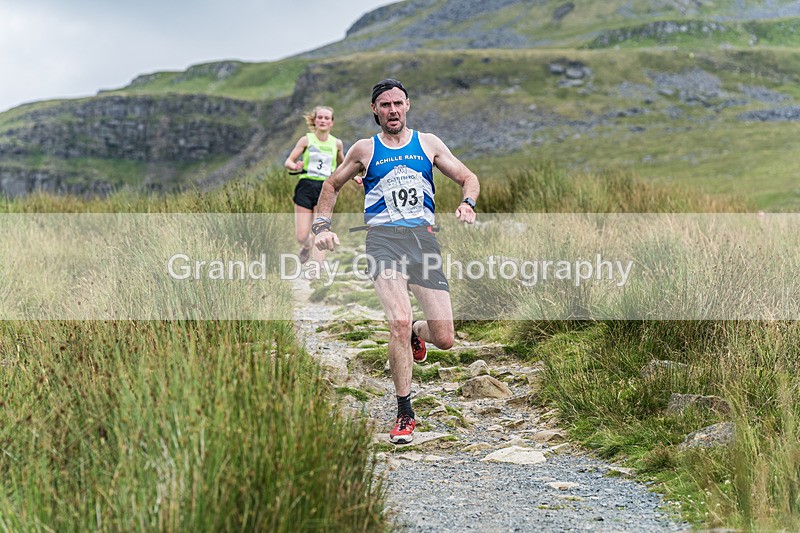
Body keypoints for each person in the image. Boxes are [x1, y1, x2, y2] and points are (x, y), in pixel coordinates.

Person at [312, 79, 479, 444]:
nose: (392, 110)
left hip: (423, 241)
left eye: (398, 103)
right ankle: (405, 412)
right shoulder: (364, 149)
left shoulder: (428, 143)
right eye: (384, 105)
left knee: (445, 338)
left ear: (408, 105)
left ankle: (420, 334)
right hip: (383, 241)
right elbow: (330, 186)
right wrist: (321, 226)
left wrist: (468, 203)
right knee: (398, 322)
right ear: (375, 110)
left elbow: (468, 177)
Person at [284, 105, 344, 264]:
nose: (323, 120)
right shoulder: (306, 140)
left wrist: (355, 177)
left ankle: (316, 268)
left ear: (332, 122)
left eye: (327, 118)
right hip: (305, 187)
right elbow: (288, 161)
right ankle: (306, 246)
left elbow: (344, 166)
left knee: (321, 232)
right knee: (302, 236)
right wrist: (294, 165)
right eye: (320, 117)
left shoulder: (336, 144)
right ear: (314, 120)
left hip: (325, 189)